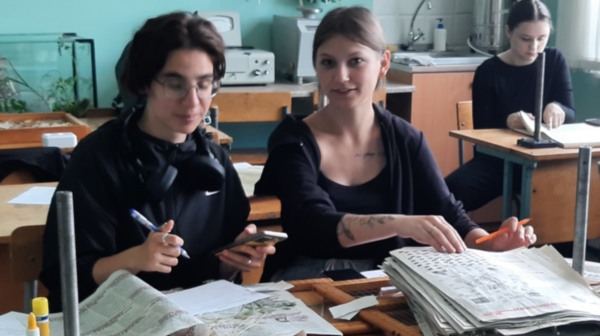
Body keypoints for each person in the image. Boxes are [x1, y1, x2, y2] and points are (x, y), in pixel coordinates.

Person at [254, 6, 536, 282]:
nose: (340, 76)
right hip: (307, 278)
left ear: (383, 63)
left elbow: (448, 213)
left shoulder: (405, 138)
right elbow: (313, 223)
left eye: (355, 61)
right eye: (328, 62)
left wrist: (489, 242)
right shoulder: (293, 141)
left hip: (384, 276)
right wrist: (401, 223)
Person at [40, 12, 274, 310]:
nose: (193, 102)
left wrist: (235, 261)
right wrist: (134, 260)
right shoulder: (97, 157)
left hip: (197, 317)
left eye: (204, 84)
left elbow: (217, 274)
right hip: (111, 319)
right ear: (143, 83)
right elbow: (63, 276)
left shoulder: (214, 160)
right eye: (175, 85)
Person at [445, 0, 575, 212]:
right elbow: (482, 134)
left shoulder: (554, 60)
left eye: (541, 38)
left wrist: (558, 108)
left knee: (574, 191)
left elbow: (570, 113)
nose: (534, 47)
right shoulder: (488, 71)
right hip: (497, 162)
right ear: (508, 32)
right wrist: (507, 121)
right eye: (525, 39)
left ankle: (552, 236)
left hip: (544, 162)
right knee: (447, 194)